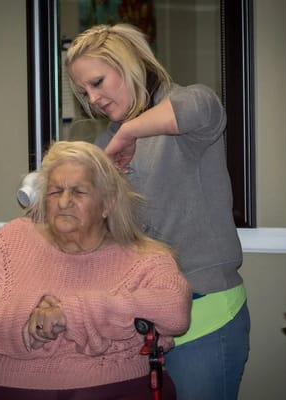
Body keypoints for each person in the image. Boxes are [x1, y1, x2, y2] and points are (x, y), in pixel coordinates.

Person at [65, 23, 250, 400]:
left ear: (128, 63)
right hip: (145, 319)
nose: (93, 98)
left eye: (98, 81)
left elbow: (201, 106)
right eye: (84, 91)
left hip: (205, 312)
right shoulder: (108, 142)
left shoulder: (186, 108)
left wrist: (127, 134)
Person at [0, 140, 191, 400]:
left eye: (78, 192)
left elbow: (174, 311)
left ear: (108, 204)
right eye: (55, 191)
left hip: (114, 392)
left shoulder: (145, 257)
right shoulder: (11, 239)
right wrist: (20, 321)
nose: (64, 202)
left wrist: (70, 314)